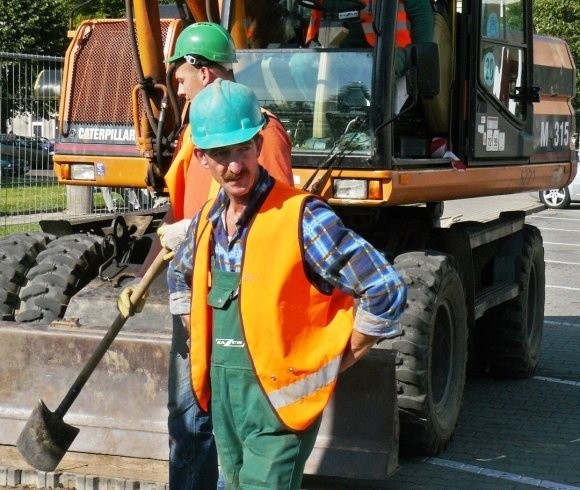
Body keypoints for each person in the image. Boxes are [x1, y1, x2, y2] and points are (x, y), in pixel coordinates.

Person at [166, 79, 407, 489]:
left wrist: (339, 359)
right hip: (226, 400)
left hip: (280, 406)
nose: (235, 165)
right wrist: (191, 322)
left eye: (243, 149)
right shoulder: (207, 220)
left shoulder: (302, 217)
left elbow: (385, 288)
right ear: (202, 158)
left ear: (260, 146)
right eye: (222, 154)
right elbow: (179, 275)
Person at [118, 22, 293, 490]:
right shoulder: (194, 134)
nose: (176, 88)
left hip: (232, 297)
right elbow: (175, 213)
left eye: (180, 77)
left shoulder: (261, 134)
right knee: (187, 413)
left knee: (219, 416)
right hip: (192, 290)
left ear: (205, 72)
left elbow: (274, 215)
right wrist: (142, 278)